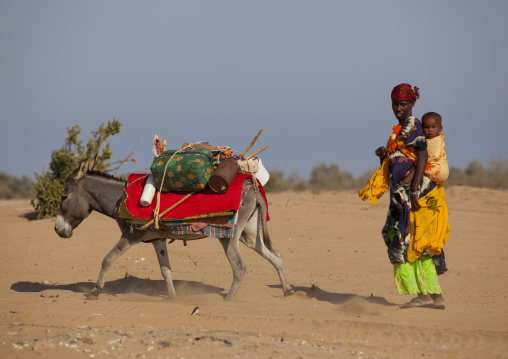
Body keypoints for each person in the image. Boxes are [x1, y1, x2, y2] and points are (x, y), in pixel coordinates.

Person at [359, 83, 450, 309]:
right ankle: (429, 296)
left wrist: (414, 188)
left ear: (412, 104)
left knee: (412, 244)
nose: (398, 108)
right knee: (407, 243)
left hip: (415, 196)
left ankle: (430, 296)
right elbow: (400, 159)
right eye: (395, 104)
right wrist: (384, 155)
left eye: (403, 104)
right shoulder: (400, 130)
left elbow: (421, 158)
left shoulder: (414, 128)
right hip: (402, 195)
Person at [422, 112, 449, 185]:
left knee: (415, 166)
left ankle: (406, 182)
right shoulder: (428, 140)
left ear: (440, 128)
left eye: (433, 127)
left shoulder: (437, 141)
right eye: (427, 127)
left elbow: (434, 156)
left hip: (439, 171)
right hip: (437, 173)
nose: (430, 130)